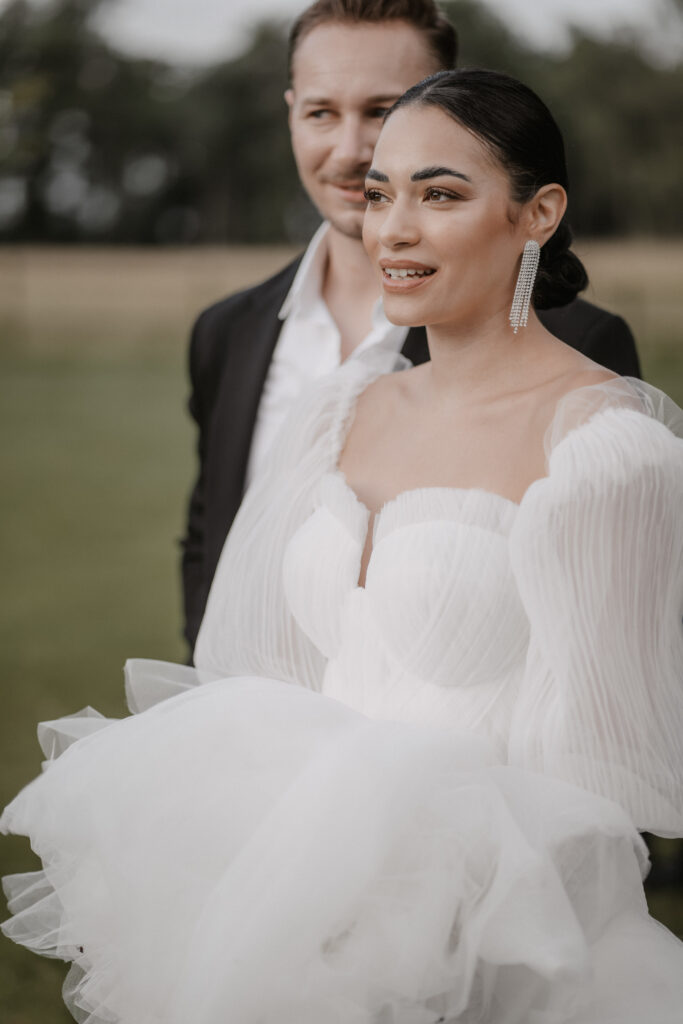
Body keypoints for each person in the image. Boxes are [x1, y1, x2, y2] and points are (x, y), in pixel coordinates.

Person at [2, 69, 682, 1024]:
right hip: (298, 912)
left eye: (439, 194)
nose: (392, 229)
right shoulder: (338, 414)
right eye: (379, 194)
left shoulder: (607, 450)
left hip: (497, 941)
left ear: (538, 214)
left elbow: (612, 783)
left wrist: (440, 933)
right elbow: (260, 679)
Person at [181, 0, 641, 657]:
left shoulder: (581, 352)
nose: (348, 150)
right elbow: (209, 543)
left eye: (380, 110)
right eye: (320, 112)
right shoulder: (224, 332)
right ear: (289, 111)